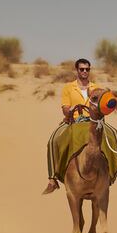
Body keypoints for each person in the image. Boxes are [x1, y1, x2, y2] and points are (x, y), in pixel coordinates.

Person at [44, 58, 99, 193]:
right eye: (82, 69)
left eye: (87, 69)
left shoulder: (96, 88)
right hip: (73, 121)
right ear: (77, 70)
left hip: (92, 122)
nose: (84, 71)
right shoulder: (68, 87)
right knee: (52, 140)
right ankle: (52, 178)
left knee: (113, 134)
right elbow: (65, 108)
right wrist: (70, 110)